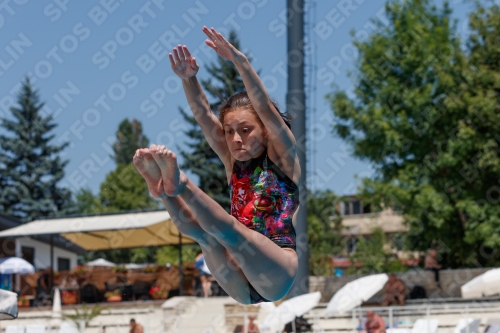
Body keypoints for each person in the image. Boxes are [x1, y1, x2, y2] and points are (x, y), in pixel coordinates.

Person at [133, 26, 300, 305]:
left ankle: (180, 185)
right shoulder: (232, 159)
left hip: (276, 272)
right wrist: (189, 79)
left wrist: (240, 61)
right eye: (229, 131)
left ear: (267, 130)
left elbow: (266, 109)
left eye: (245, 130)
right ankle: (164, 190)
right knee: (205, 236)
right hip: (239, 284)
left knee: (231, 233)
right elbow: (202, 114)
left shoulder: (282, 155)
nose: (235, 139)